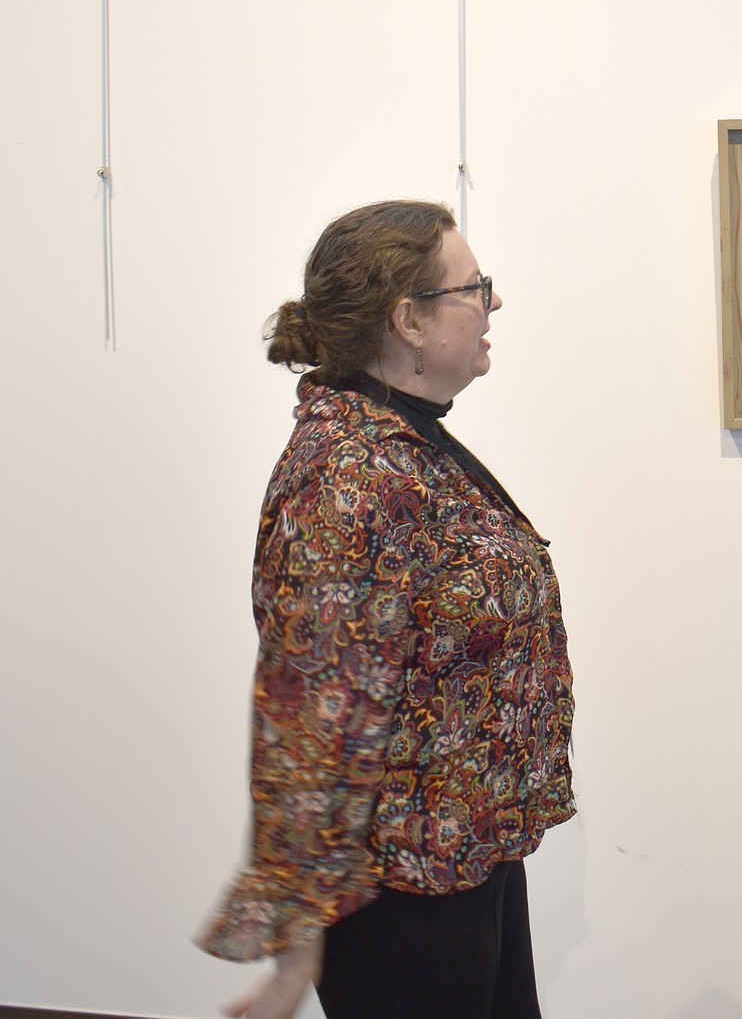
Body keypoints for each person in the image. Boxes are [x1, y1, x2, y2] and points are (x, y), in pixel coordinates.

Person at [197, 201, 576, 1019]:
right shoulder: (353, 477)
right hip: (399, 893)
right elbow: (310, 719)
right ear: (409, 319)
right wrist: (296, 945)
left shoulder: (403, 442)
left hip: (462, 857)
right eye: (475, 286)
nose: (494, 303)